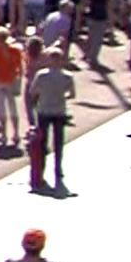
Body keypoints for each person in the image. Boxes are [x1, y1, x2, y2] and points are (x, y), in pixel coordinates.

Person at [28, 47, 76, 191]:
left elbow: (33, 91)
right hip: (59, 111)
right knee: (58, 141)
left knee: (42, 141)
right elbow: (72, 94)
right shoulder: (68, 76)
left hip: (44, 110)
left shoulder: (41, 75)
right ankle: (58, 168)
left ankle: (41, 168)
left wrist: (42, 96)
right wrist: (61, 96)